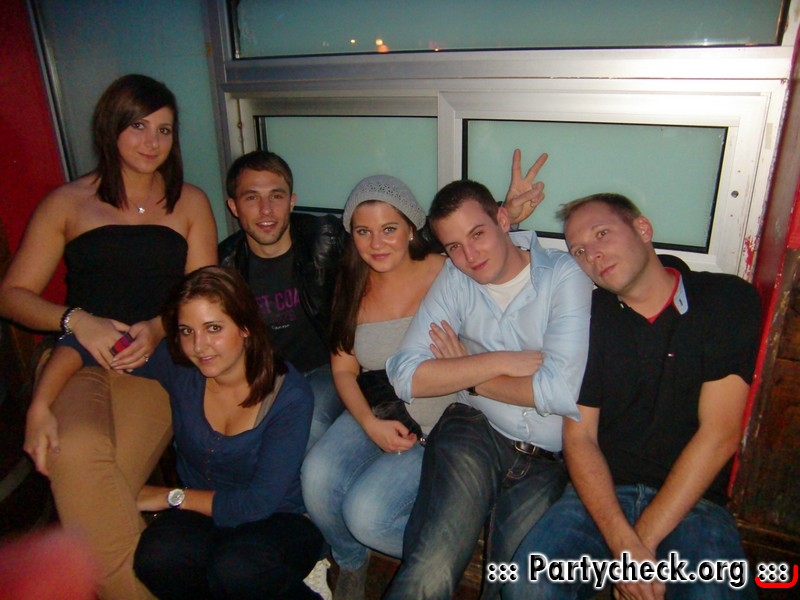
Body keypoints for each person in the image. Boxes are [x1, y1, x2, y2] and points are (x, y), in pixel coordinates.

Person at [0, 74, 218, 598]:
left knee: (93, 486)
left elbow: (205, 293)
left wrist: (159, 326)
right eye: (138, 126)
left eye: (164, 129)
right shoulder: (68, 202)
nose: (152, 142)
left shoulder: (189, 202)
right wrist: (77, 319)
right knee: (77, 451)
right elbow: (11, 295)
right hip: (75, 360)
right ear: (110, 128)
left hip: (155, 365)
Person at [503, 193, 762, 600]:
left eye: (602, 234)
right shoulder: (588, 317)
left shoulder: (724, 299)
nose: (593, 255)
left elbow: (720, 434)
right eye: (579, 251)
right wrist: (626, 546)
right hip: (602, 496)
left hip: (694, 500)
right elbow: (580, 437)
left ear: (642, 229)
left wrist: (637, 546)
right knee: (526, 583)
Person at [46, 266, 325, 599]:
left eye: (213, 328)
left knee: (236, 568)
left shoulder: (289, 395)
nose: (199, 346)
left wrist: (167, 497)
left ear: (246, 327)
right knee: (157, 557)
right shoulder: (180, 368)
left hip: (278, 517)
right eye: (186, 331)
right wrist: (40, 409)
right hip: (204, 514)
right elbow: (81, 345)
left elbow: (257, 503)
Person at [383, 179, 593, 600]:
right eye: (454, 246)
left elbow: (558, 391)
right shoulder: (455, 279)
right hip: (474, 431)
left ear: (502, 219)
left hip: (547, 460)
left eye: (477, 234)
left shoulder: (563, 275)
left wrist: (471, 376)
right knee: (431, 569)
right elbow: (405, 375)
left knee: (509, 587)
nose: (470, 256)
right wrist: (499, 362)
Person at [219, 151, 346, 451]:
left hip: (324, 369)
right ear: (234, 207)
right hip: (262, 374)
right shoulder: (224, 265)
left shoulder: (325, 239)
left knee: (304, 430)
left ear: (291, 201)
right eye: (252, 198)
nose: (266, 210)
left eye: (276, 196)